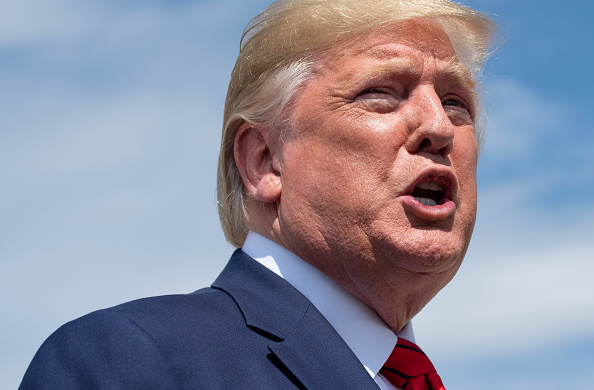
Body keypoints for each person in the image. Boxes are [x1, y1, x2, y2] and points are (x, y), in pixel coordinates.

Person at [20, 0, 498, 388]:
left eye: (456, 103)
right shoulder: (133, 361)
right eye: (381, 93)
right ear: (265, 160)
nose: (440, 127)